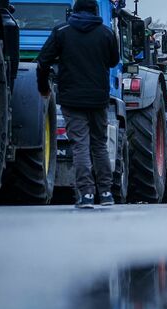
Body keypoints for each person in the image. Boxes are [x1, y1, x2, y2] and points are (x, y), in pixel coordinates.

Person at [37, 0, 119, 209]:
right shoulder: (106, 33)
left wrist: (43, 86)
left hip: (71, 99)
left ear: (74, 10)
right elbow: (113, 61)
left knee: (80, 146)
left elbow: (43, 61)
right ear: (95, 10)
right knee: (99, 145)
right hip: (98, 99)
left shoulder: (61, 31)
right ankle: (107, 193)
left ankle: (87, 195)